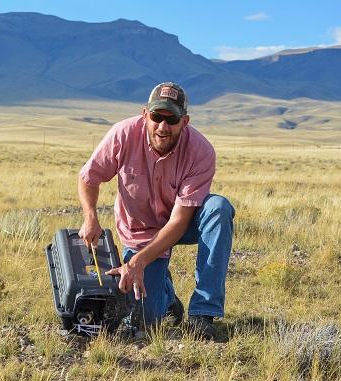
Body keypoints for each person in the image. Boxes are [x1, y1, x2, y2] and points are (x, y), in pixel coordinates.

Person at [78, 82, 235, 340]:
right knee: (147, 321)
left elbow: (178, 222)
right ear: (145, 115)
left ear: (184, 122)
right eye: (156, 117)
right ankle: (167, 296)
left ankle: (202, 315)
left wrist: (137, 263)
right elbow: (88, 177)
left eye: (171, 119)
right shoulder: (123, 134)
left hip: (182, 223)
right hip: (139, 232)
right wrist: (90, 217)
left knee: (218, 209)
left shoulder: (201, 151)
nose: (163, 127)